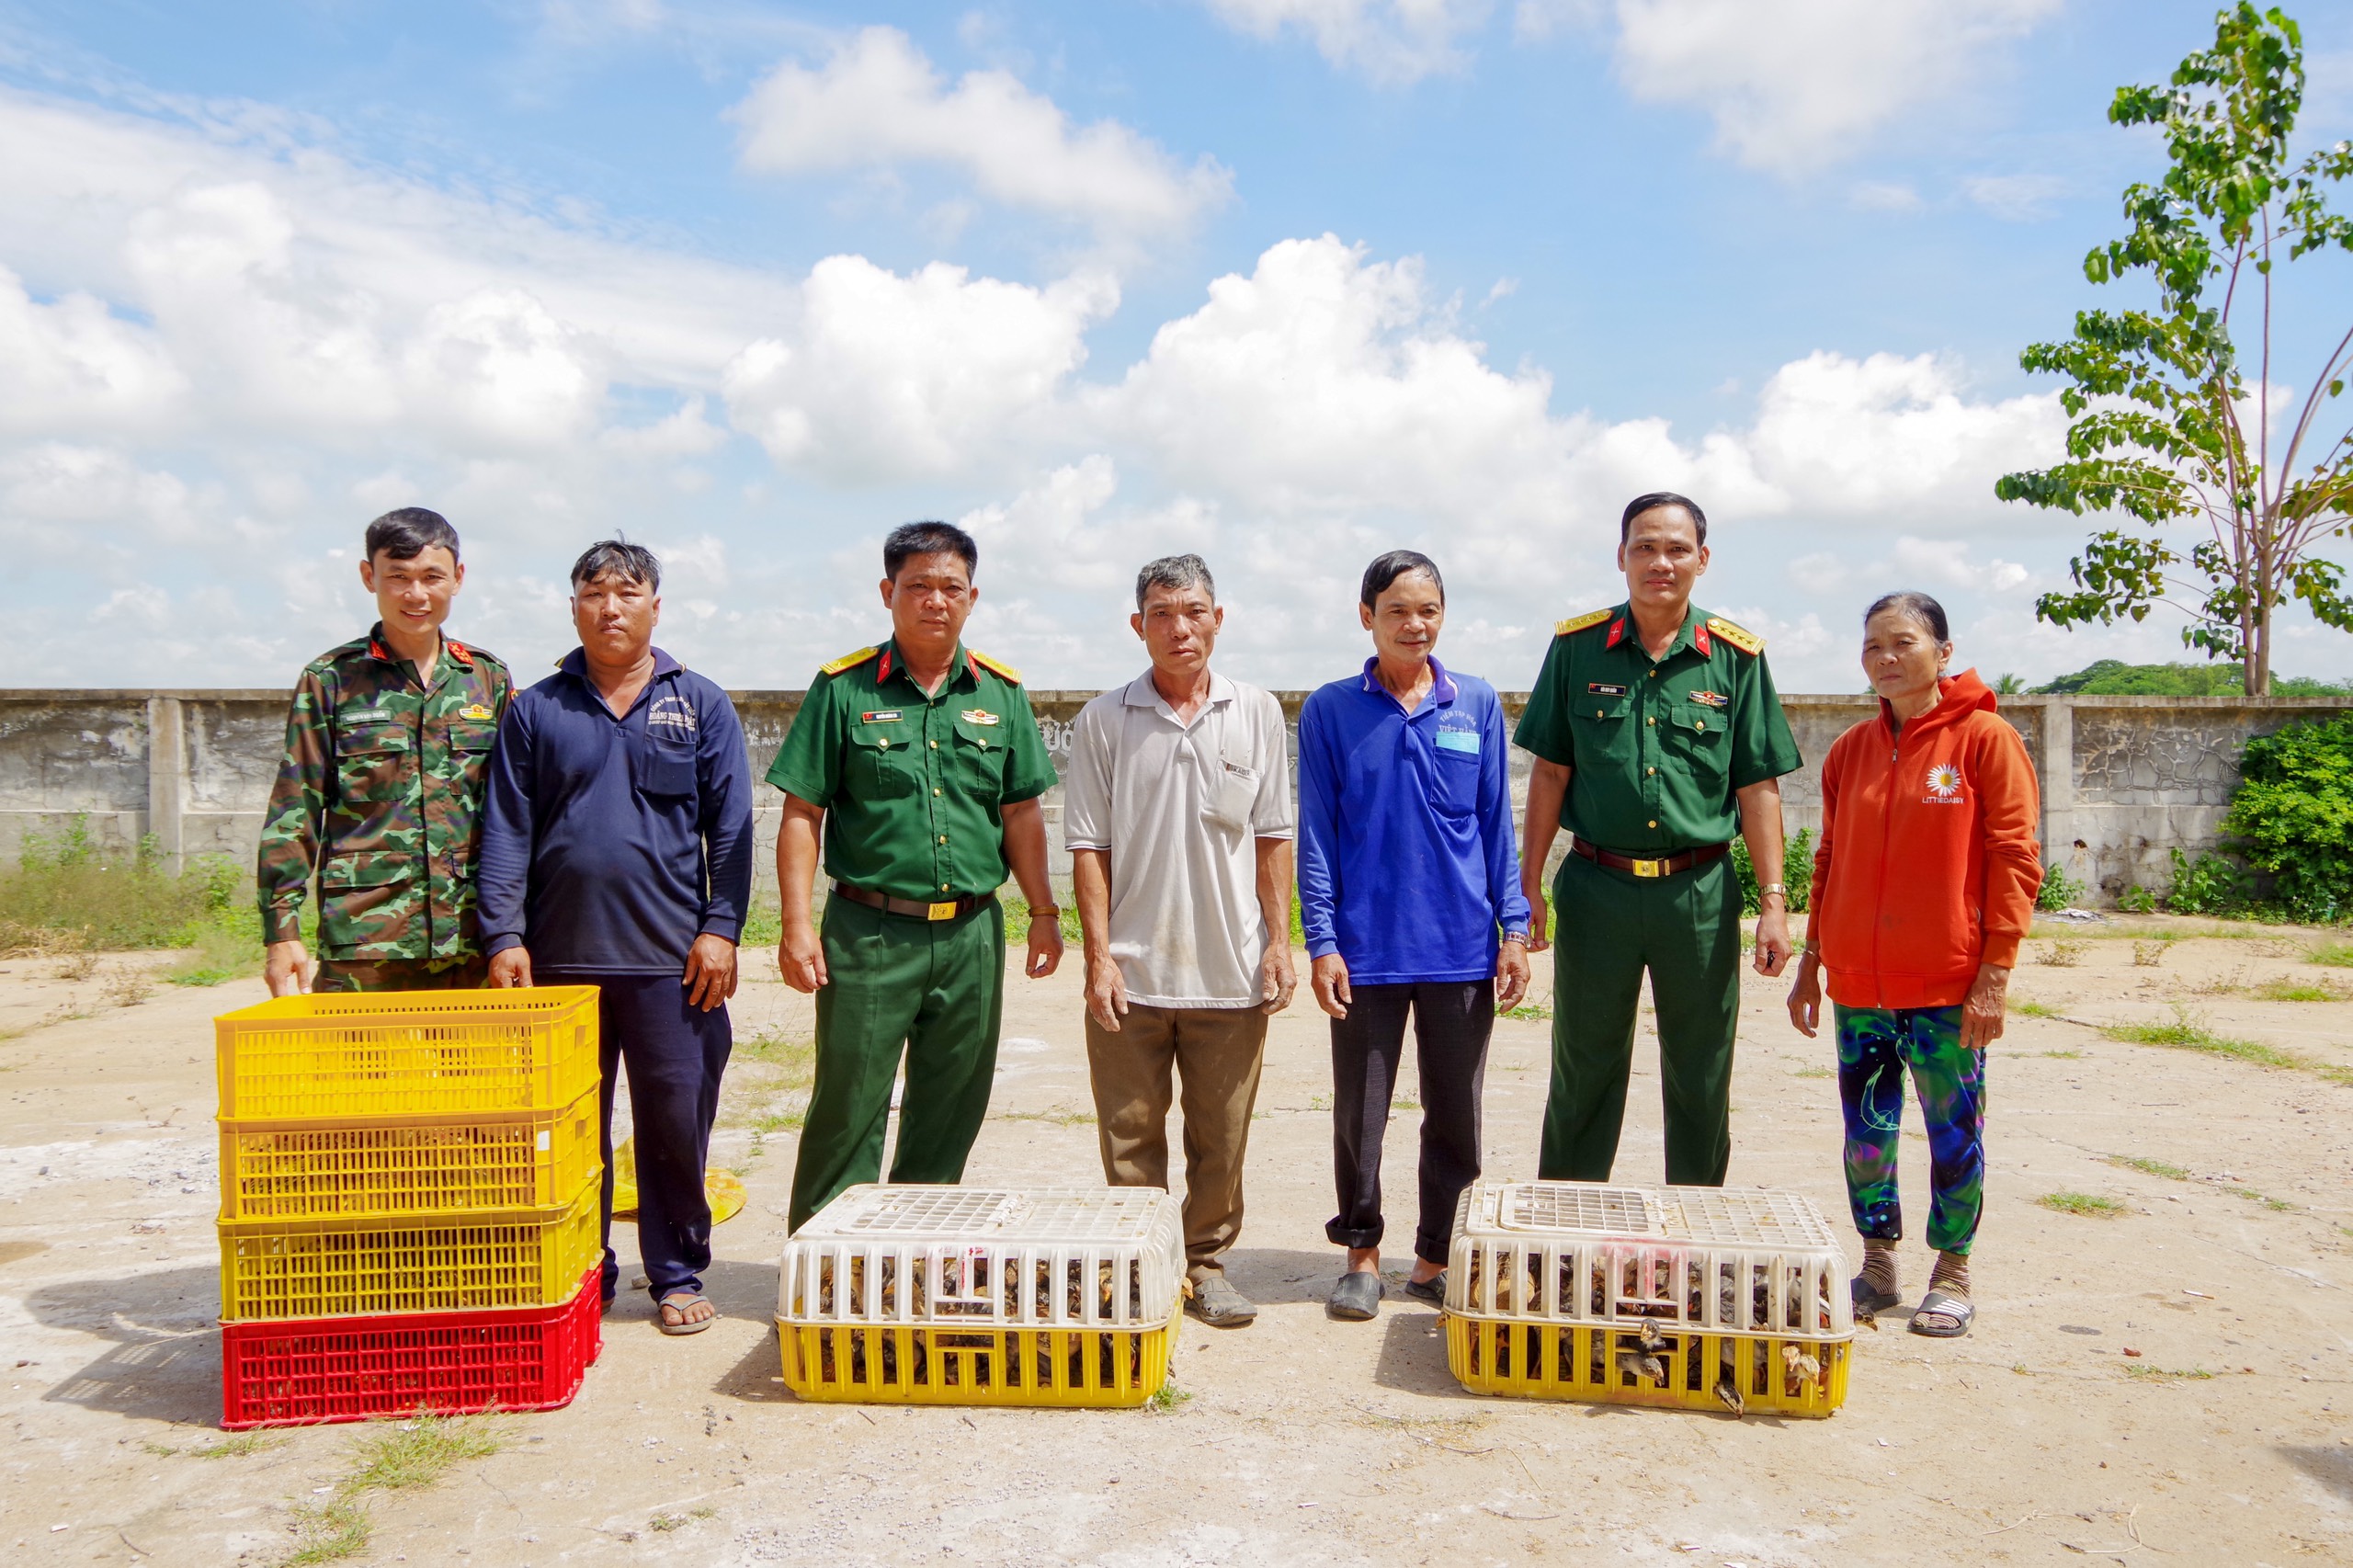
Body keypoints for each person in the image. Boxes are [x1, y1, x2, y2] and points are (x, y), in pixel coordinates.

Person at [478, 540, 755, 1334]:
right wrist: (503, 935)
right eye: (593, 593)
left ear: (654, 607)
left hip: (674, 965)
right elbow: (505, 830)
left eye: (627, 593)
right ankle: (580, 1270)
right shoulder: (537, 708)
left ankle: (674, 1273)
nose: (610, 607)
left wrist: (720, 928)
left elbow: (730, 830)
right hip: (559, 965)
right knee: (567, 1130)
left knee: (675, 1119)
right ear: (574, 608)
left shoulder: (697, 703)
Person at [767, 521, 1063, 1233]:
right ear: (888, 593)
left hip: (971, 935)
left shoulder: (1000, 693)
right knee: (849, 1105)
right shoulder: (842, 690)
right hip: (869, 934)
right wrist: (797, 925)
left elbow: (1021, 812)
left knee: (951, 1105)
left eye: (950, 588)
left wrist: (1044, 913)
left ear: (973, 597)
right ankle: (826, 1270)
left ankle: (912, 1259)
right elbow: (803, 812)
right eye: (918, 586)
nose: (935, 600)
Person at [1515, 492, 1802, 1186]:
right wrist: (1529, 890)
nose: (1660, 562)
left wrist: (1772, 901)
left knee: (1702, 1070)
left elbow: (1758, 786)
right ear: (1621, 558)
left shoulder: (1735, 659)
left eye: (1676, 549)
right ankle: (1567, 1230)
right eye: (1644, 547)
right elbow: (1550, 773)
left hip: (1698, 895)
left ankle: (1695, 1233)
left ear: (1702, 560)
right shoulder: (1576, 648)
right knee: (1583, 1065)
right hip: (1597, 887)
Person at [1785, 592, 2039, 1339]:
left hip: (1948, 987)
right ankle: (1878, 1265)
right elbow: (1829, 860)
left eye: (1902, 643)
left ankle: (1953, 1271)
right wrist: (1813, 962)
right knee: (1868, 1131)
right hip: (1859, 987)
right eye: (1872, 646)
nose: (1885, 659)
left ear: (1943, 652)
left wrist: (1994, 973)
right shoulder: (1850, 751)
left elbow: (2015, 859)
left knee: (1954, 1130)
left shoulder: (1986, 740)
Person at [1299, 551, 1532, 1322]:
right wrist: (1323, 939)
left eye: (1428, 609)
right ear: (1366, 615)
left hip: (1461, 947)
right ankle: (1361, 1254)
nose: (1415, 624)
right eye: (1398, 609)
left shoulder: (1478, 705)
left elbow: (1499, 823)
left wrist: (1515, 928)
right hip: (1366, 950)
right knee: (1359, 1111)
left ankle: (1437, 1257)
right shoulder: (1333, 711)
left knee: (1456, 1113)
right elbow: (1318, 835)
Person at [1065, 555, 1297, 1330]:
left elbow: (1272, 835)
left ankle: (1206, 1264)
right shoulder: (1105, 720)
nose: (1179, 627)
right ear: (1139, 626)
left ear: (1218, 619)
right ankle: (1140, 1262)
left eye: (1193, 610)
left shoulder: (1256, 711)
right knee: (1129, 1134)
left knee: (1220, 1137)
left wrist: (1277, 942)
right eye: (1161, 613)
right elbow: (1088, 847)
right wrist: (1098, 958)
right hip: (1134, 970)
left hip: (1230, 970)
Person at [257, 507, 511, 995]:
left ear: (457, 579)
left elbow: (515, 813)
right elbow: (295, 808)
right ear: (368, 576)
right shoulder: (331, 680)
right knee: (367, 1072)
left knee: (482, 1073)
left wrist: (515, 927)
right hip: (366, 940)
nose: (416, 595)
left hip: (473, 936)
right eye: (398, 577)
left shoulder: (487, 679)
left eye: (432, 577)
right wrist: (281, 931)